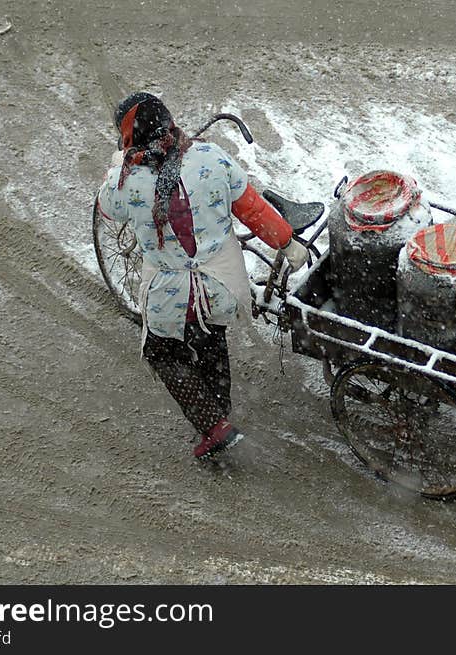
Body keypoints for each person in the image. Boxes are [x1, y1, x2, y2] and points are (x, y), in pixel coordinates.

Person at [97, 92, 308, 459]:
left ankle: (214, 427)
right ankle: (219, 408)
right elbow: (252, 209)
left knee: (162, 352)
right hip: (222, 285)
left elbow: (106, 210)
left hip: (171, 292)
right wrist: (288, 244)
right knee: (212, 338)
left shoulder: (126, 184)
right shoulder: (211, 157)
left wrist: (118, 165)